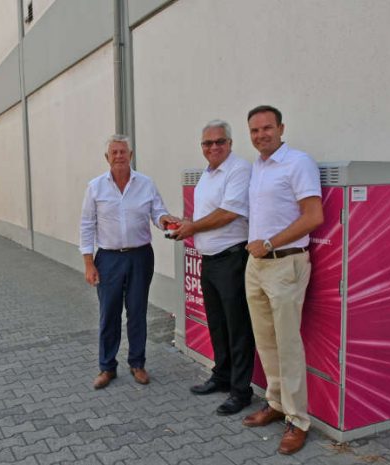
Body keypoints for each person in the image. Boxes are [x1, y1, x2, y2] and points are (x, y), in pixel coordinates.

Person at [241, 105, 323, 455]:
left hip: (285, 263)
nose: (261, 135)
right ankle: (275, 403)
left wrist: (271, 243)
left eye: (267, 128)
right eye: (255, 130)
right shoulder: (258, 167)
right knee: (266, 342)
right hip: (257, 266)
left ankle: (298, 420)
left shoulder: (297, 162)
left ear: (281, 128)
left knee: (288, 345)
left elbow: (314, 216)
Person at [171, 120, 255, 416]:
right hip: (210, 261)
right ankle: (221, 377)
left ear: (230, 144)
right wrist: (185, 225)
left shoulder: (239, 169)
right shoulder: (207, 175)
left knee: (238, 328)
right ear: (202, 148)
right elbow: (207, 215)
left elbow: (230, 212)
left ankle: (241, 391)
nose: (214, 147)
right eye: (208, 143)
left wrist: (192, 226)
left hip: (232, 260)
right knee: (218, 325)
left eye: (220, 141)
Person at [80, 134, 176, 390]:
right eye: (115, 152)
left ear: (131, 155)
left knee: (137, 312)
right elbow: (87, 226)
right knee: (108, 313)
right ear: (107, 158)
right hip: (109, 258)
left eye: (123, 152)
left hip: (140, 256)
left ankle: (137, 363)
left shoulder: (145, 184)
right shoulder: (95, 187)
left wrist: (165, 220)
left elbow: (157, 211)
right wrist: (89, 263)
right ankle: (107, 367)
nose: (119, 156)